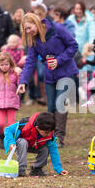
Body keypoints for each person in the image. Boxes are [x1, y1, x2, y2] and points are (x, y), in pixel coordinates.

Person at [17, 13, 78, 148]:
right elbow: (30, 62)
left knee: (60, 104)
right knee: (51, 107)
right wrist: (23, 82)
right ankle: (50, 137)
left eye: (29, 27)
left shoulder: (57, 29)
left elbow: (73, 46)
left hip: (66, 72)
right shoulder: (34, 40)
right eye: (25, 30)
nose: (28, 31)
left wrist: (59, 60)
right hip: (49, 76)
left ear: (36, 22)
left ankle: (59, 138)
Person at [4, 112, 69, 177]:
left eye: (51, 132)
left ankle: (36, 169)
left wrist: (59, 169)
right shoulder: (24, 124)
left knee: (45, 148)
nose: (48, 134)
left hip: (35, 145)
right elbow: (8, 130)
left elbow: (54, 152)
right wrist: (11, 142)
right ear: (37, 128)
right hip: (20, 144)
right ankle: (20, 170)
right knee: (23, 142)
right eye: (46, 132)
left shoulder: (50, 136)